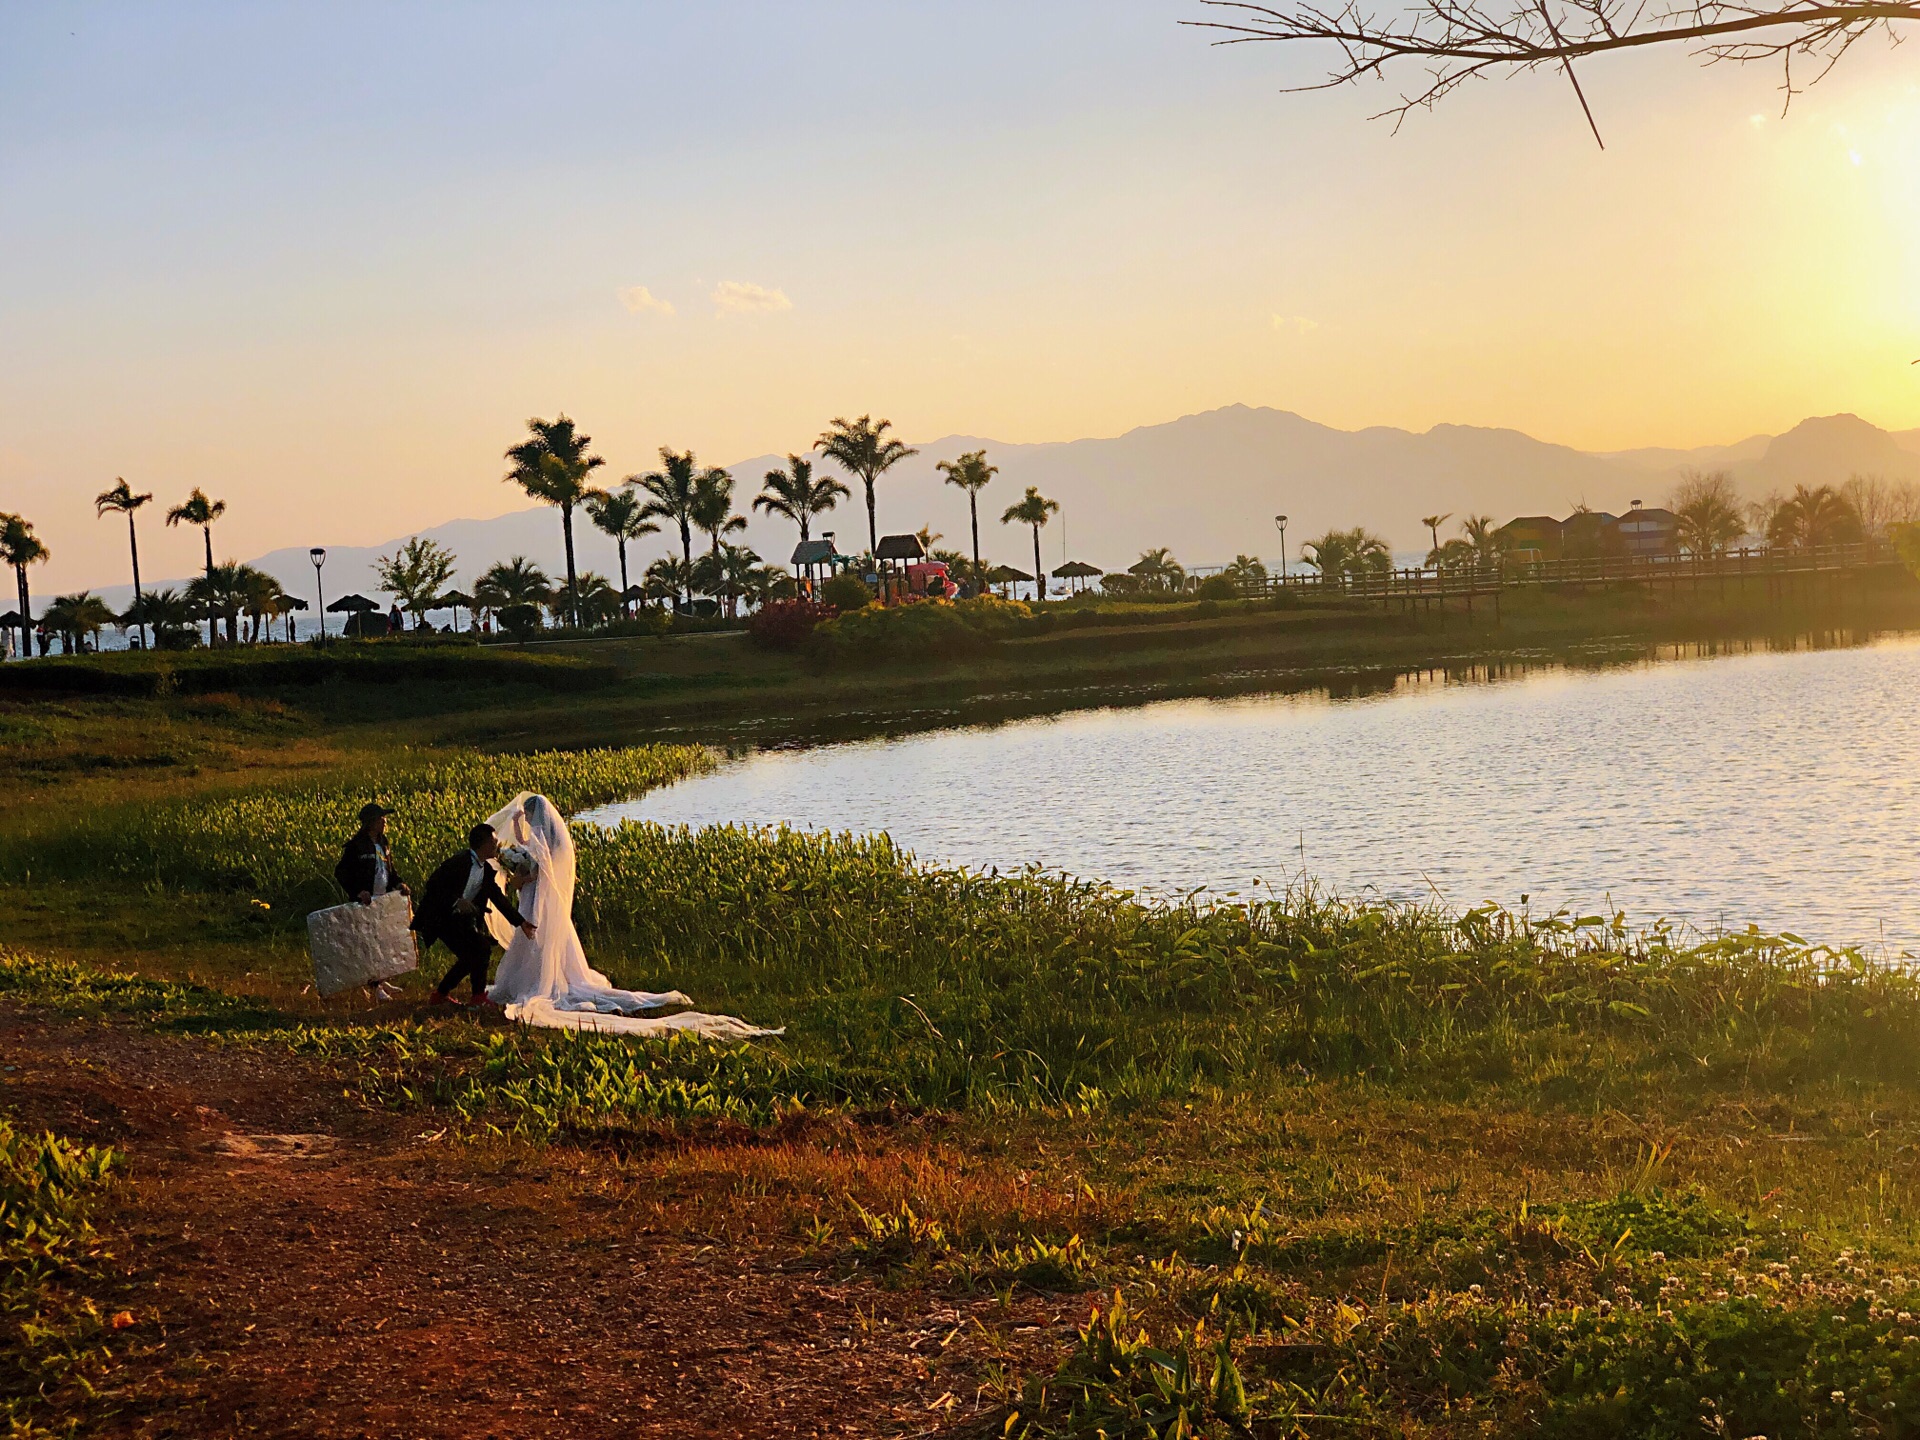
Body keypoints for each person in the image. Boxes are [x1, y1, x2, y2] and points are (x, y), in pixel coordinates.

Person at [481, 792, 780, 1039]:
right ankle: (529, 980)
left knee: (536, 940)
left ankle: (531, 983)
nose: (529, 822)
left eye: (530, 818)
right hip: (534, 900)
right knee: (537, 940)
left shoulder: (540, 845)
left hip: (535, 901)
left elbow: (534, 866)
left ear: (537, 818)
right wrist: (519, 842)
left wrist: (520, 874)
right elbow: (529, 853)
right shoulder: (542, 842)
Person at [411, 823, 534, 1007]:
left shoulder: (485, 870)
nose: (496, 845)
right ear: (482, 844)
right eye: (493, 842)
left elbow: (498, 898)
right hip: (442, 919)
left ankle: (453, 995)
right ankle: (467, 996)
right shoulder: (460, 862)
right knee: (478, 950)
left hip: (462, 921)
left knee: (477, 952)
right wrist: (456, 901)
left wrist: (521, 922)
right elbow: (434, 886)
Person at [334, 802, 411, 1002]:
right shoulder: (356, 846)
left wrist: (399, 884)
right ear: (370, 823)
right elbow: (341, 872)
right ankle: (376, 987)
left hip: (382, 899)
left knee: (382, 942)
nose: (384, 821)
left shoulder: (383, 843)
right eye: (380, 818)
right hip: (366, 902)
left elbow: (389, 871)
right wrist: (358, 892)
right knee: (369, 945)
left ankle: (382, 980)